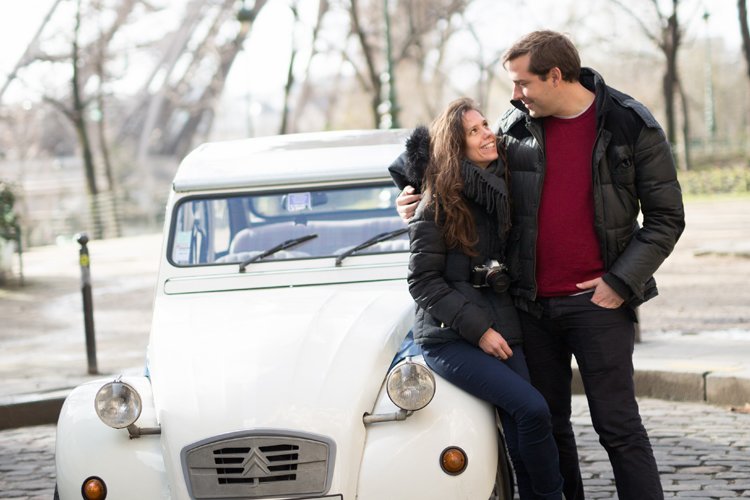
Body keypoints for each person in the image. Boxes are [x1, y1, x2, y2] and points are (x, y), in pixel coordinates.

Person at [395, 31, 685, 500]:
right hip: (527, 309)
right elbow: (443, 150)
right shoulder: (516, 125)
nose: (513, 95)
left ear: (554, 76)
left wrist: (620, 280)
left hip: (599, 304)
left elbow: (667, 218)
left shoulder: (630, 124)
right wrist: (410, 191)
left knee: (619, 427)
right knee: (549, 427)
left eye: (521, 83)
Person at [390, 97, 564, 500]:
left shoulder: (497, 190)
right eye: (474, 131)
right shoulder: (435, 205)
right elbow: (423, 283)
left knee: (525, 426)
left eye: (486, 124)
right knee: (533, 409)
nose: (488, 133)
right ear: (457, 146)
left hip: (501, 324)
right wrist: (481, 330)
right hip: (449, 338)